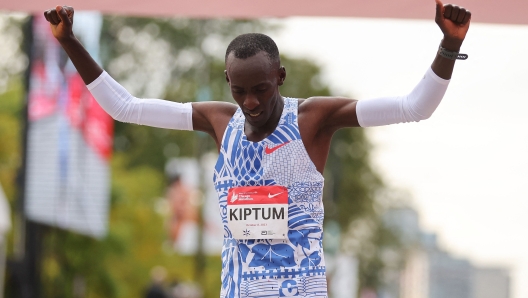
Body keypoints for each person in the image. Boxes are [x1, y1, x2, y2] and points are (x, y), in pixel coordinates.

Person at [43, 1, 471, 297]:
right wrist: (69, 42)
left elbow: (414, 107)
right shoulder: (220, 122)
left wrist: (449, 45)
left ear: (280, 76)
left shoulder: (311, 120)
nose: (250, 102)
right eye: (240, 90)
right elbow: (126, 107)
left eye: (261, 89)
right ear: (228, 81)